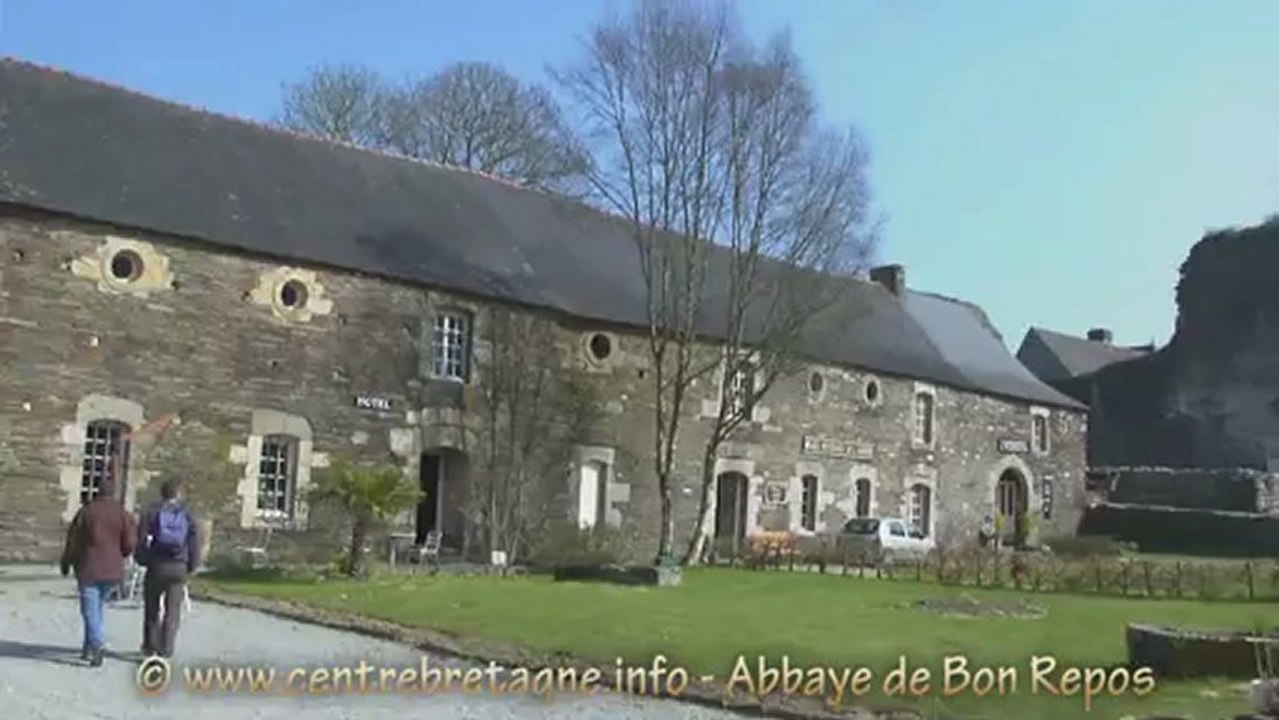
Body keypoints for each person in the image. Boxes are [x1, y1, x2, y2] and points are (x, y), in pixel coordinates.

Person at [60, 477, 136, 667]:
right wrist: (121, 554)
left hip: (89, 567)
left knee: (90, 609)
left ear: (97, 491)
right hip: (112, 568)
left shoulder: (86, 512)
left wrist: (67, 561)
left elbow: (74, 540)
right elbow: (129, 544)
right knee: (96, 607)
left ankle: (96, 644)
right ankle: (88, 646)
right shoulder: (122, 514)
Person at [137, 478, 200, 659]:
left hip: (157, 565)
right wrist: (192, 565)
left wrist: (143, 559)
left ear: (162, 494)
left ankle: (150, 647)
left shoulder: (152, 513)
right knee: (173, 610)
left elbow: (141, 539)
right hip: (179, 567)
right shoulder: (187, 515)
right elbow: (194, 542)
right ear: (178, 495)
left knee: (152, 608)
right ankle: (166, 648)